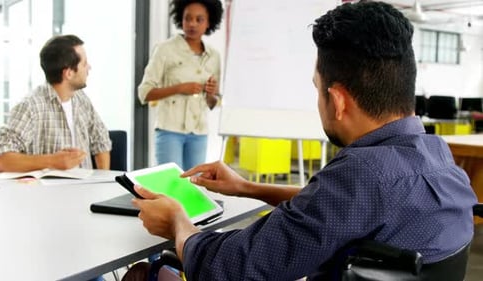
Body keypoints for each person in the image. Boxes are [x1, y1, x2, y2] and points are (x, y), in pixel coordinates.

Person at [126, 1, 477, 280]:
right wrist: (250, 188)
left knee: (148, 274)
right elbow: (339, 209)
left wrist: (177, 223)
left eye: (316, 88)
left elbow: (231, 267)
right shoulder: (438, 160)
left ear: (338, 101)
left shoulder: (360, 175)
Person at [0, 35, 111, 173]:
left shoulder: (81, 99)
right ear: (69, 73)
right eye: (84, 64)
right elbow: (0, 160)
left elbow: (101, 141)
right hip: (48, 192)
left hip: (87, 190)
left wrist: (103, 179)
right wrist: (52, 161)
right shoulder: (30, 107)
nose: (89, 68)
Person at [137, 0, 223, 171]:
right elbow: (144, 93)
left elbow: (213, 103)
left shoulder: (214, 56)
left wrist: (211, 94)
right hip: (169, 130)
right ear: (180, 19)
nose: (192, 24)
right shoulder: (164, 49)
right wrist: (179, 88)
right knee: (170, 184)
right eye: (187, 18)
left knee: (194, 185)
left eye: (199, 19)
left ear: (209, 22)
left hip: (199, 133)